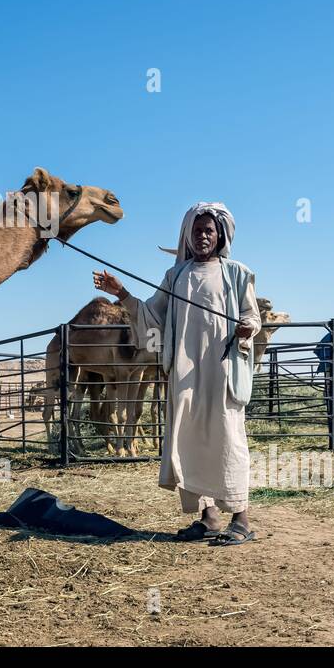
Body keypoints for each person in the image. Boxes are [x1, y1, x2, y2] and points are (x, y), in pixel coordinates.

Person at [93, 202, 261, 546]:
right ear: (188, 235)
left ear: (220, 236)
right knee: (190, 439)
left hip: (223, 370)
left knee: (228, 438)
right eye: (197, 231)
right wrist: (121, 292)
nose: (202, 236)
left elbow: (252, 315)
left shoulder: (237, 273)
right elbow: (151, 317)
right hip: (185, 372)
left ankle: (241, 519)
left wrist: (248, 328)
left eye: (209, 231)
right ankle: (209, 517)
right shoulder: (176, 276)